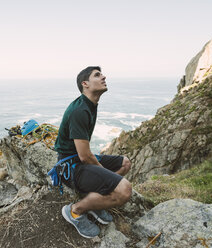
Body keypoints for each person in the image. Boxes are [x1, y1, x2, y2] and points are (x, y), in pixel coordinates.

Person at [54, 66, 133, 238]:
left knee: (125, 162)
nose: (104, 77)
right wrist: (107, 176)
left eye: (102, 74)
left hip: (79, 160)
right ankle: (75, 211)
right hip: (70, 167)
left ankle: (94, 202)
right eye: (97, 75)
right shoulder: (80, 110)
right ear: (85, 84)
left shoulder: (90, 104)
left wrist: (106, 176)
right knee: (124, 190)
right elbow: (85, 156)